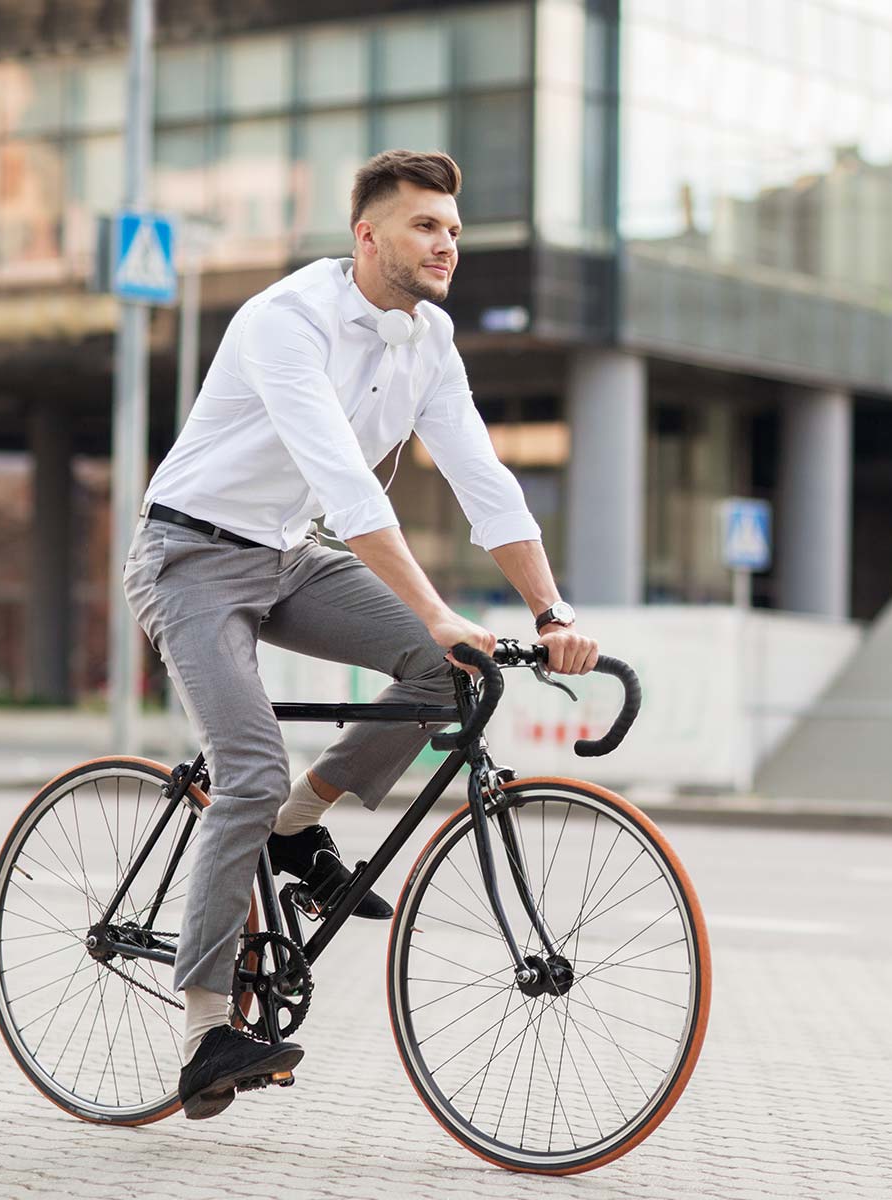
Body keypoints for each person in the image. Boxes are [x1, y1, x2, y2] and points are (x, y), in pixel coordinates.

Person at [122, 149, 599, 1121]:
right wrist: (434, 602)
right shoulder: (286, 322)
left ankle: (300, 825)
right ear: (367, 234)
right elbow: (343, 481)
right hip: (191, 557)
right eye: (426, 225)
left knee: (442, 669)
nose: (446, 245)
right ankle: (207, 1028)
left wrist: (551, 612)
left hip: (289, 557)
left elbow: (484, 481)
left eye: (455, 230)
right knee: (245, 769)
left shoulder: (430, 340)